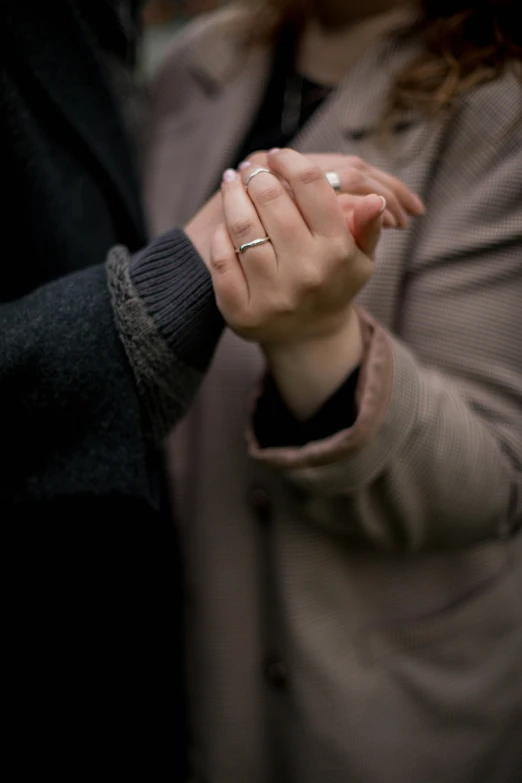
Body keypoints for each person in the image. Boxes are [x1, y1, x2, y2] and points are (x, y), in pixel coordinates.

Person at [145, 0, 522, 781]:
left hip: (387, 714)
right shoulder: (196, 67)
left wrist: (317, 339)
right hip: (194, 670)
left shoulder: (501, 105)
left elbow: (491, 475)